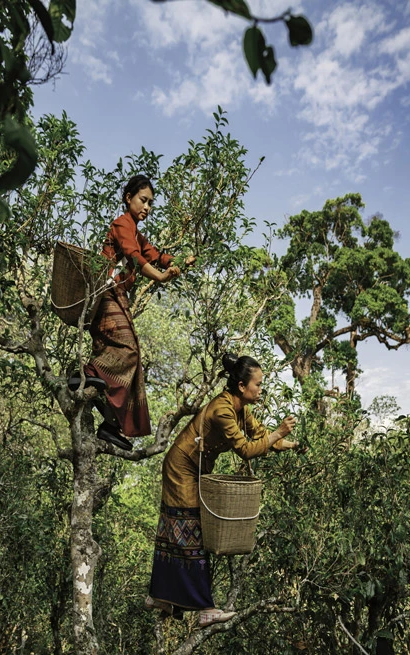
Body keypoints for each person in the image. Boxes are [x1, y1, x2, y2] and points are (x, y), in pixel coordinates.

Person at [146, 353, 300, 628]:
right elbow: (246, 450)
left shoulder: (241, 409)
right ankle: (205, 608)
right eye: (258, 384)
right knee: (189, 528)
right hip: (181, 468)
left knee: (177, 529)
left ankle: (161, 597)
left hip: (197, 470)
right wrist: (278, 434)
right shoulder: (223, 410)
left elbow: (261, 437)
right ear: (242, 386)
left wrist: (291, 444)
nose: (261, 389)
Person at [68, 174, 194, 450]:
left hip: (118, 295)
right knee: (128, 350)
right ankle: (83, 372)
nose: (147, 206)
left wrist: (180, 262)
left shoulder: (137, 232)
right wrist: (160, 277)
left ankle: (111, 424)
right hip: (104, 293)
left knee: (133, 360)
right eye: (143, 200)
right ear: (129, 198)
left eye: (151, 203)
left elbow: (156, 255)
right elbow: (135, 257)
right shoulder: (122, 224)